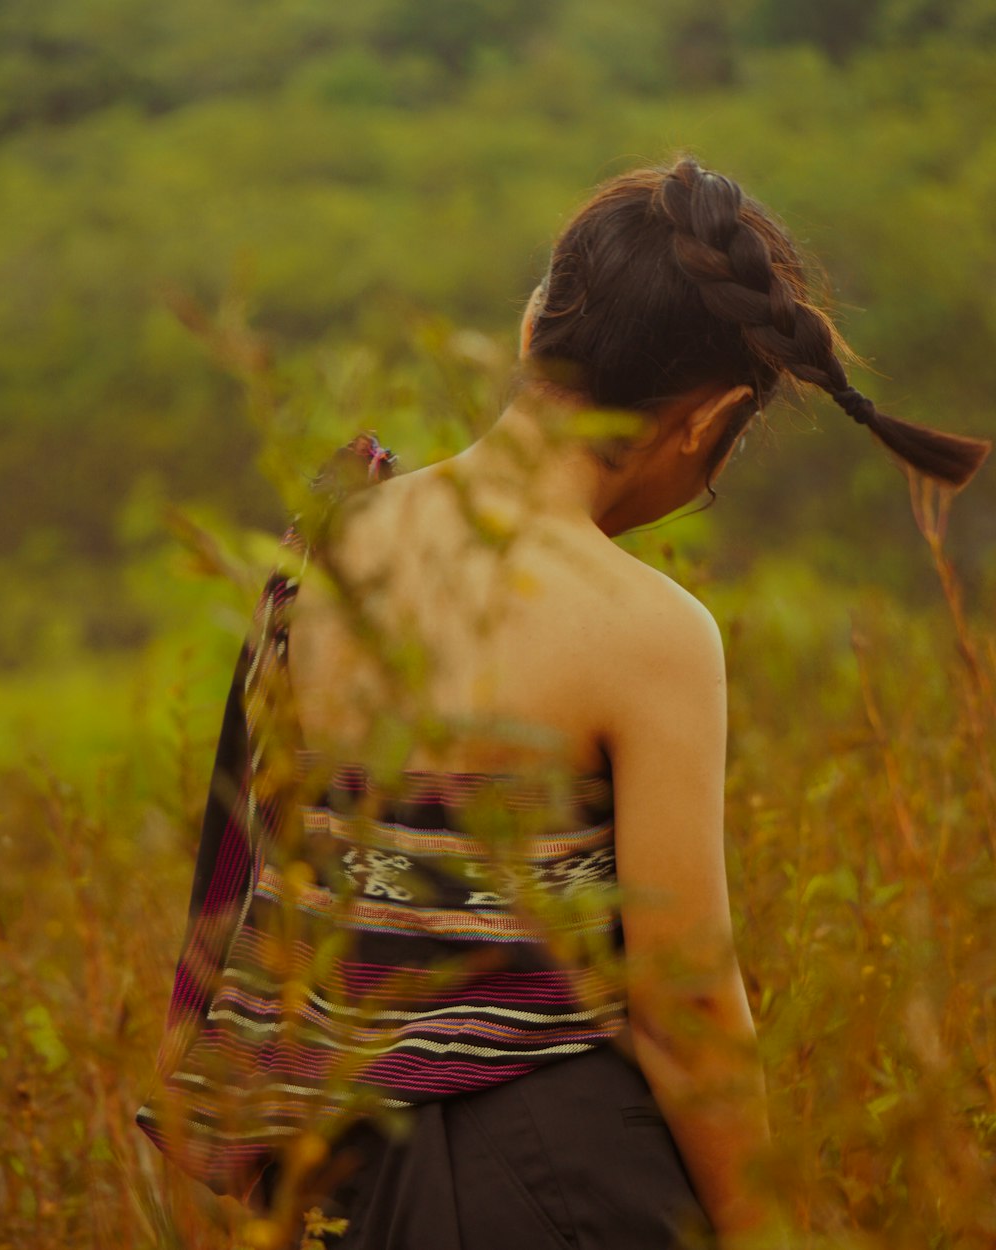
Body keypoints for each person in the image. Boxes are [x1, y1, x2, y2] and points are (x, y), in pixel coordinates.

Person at [137, 158, 989, 1250]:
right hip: (546, 1175)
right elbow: (684, 1009)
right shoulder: (648, 631)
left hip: (328, 1174)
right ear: (711, 416)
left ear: (535, 317)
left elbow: (266, 874)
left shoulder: (332, 531)